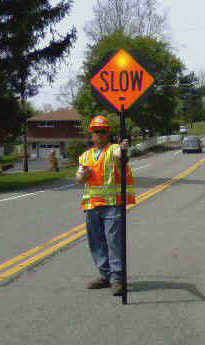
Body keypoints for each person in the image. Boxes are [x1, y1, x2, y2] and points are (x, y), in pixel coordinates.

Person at [76, 115, 135, 296]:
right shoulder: (85, 155)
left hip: (112, 205)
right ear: (91, 133)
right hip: (92, 205)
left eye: (103, 131)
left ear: (108, 133)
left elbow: (120, 157)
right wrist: (83, 174)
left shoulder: (115, 149)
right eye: (96, 131)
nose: (100, 134)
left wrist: (123, 150)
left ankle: (117, 279)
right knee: (97, 243)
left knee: (114, 243)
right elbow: (79, 178)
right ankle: (105, 275)